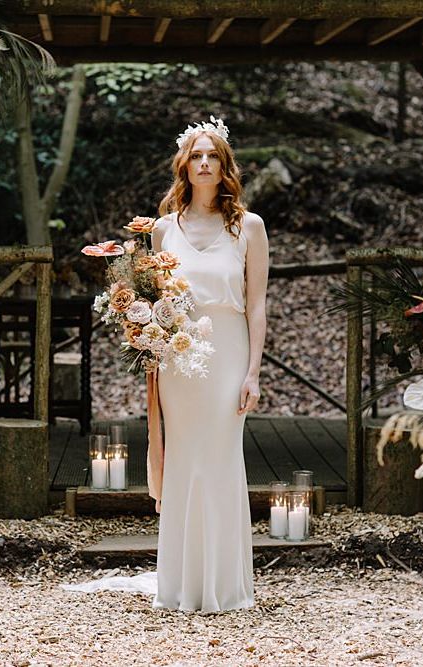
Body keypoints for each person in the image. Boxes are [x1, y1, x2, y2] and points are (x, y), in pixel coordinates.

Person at [150, 117, 268, 612]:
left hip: (227, 350)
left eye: (212, 156)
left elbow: (258, 304)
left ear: (224, 167)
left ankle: (225, 584)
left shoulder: (249, 226)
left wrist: (253, 372)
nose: (203, 163)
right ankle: (180, 585)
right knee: (184, 460)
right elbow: (153, 299)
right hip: (177, 356)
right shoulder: (162, 230)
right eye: (196, 156)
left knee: (220, 459)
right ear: (185, 165)